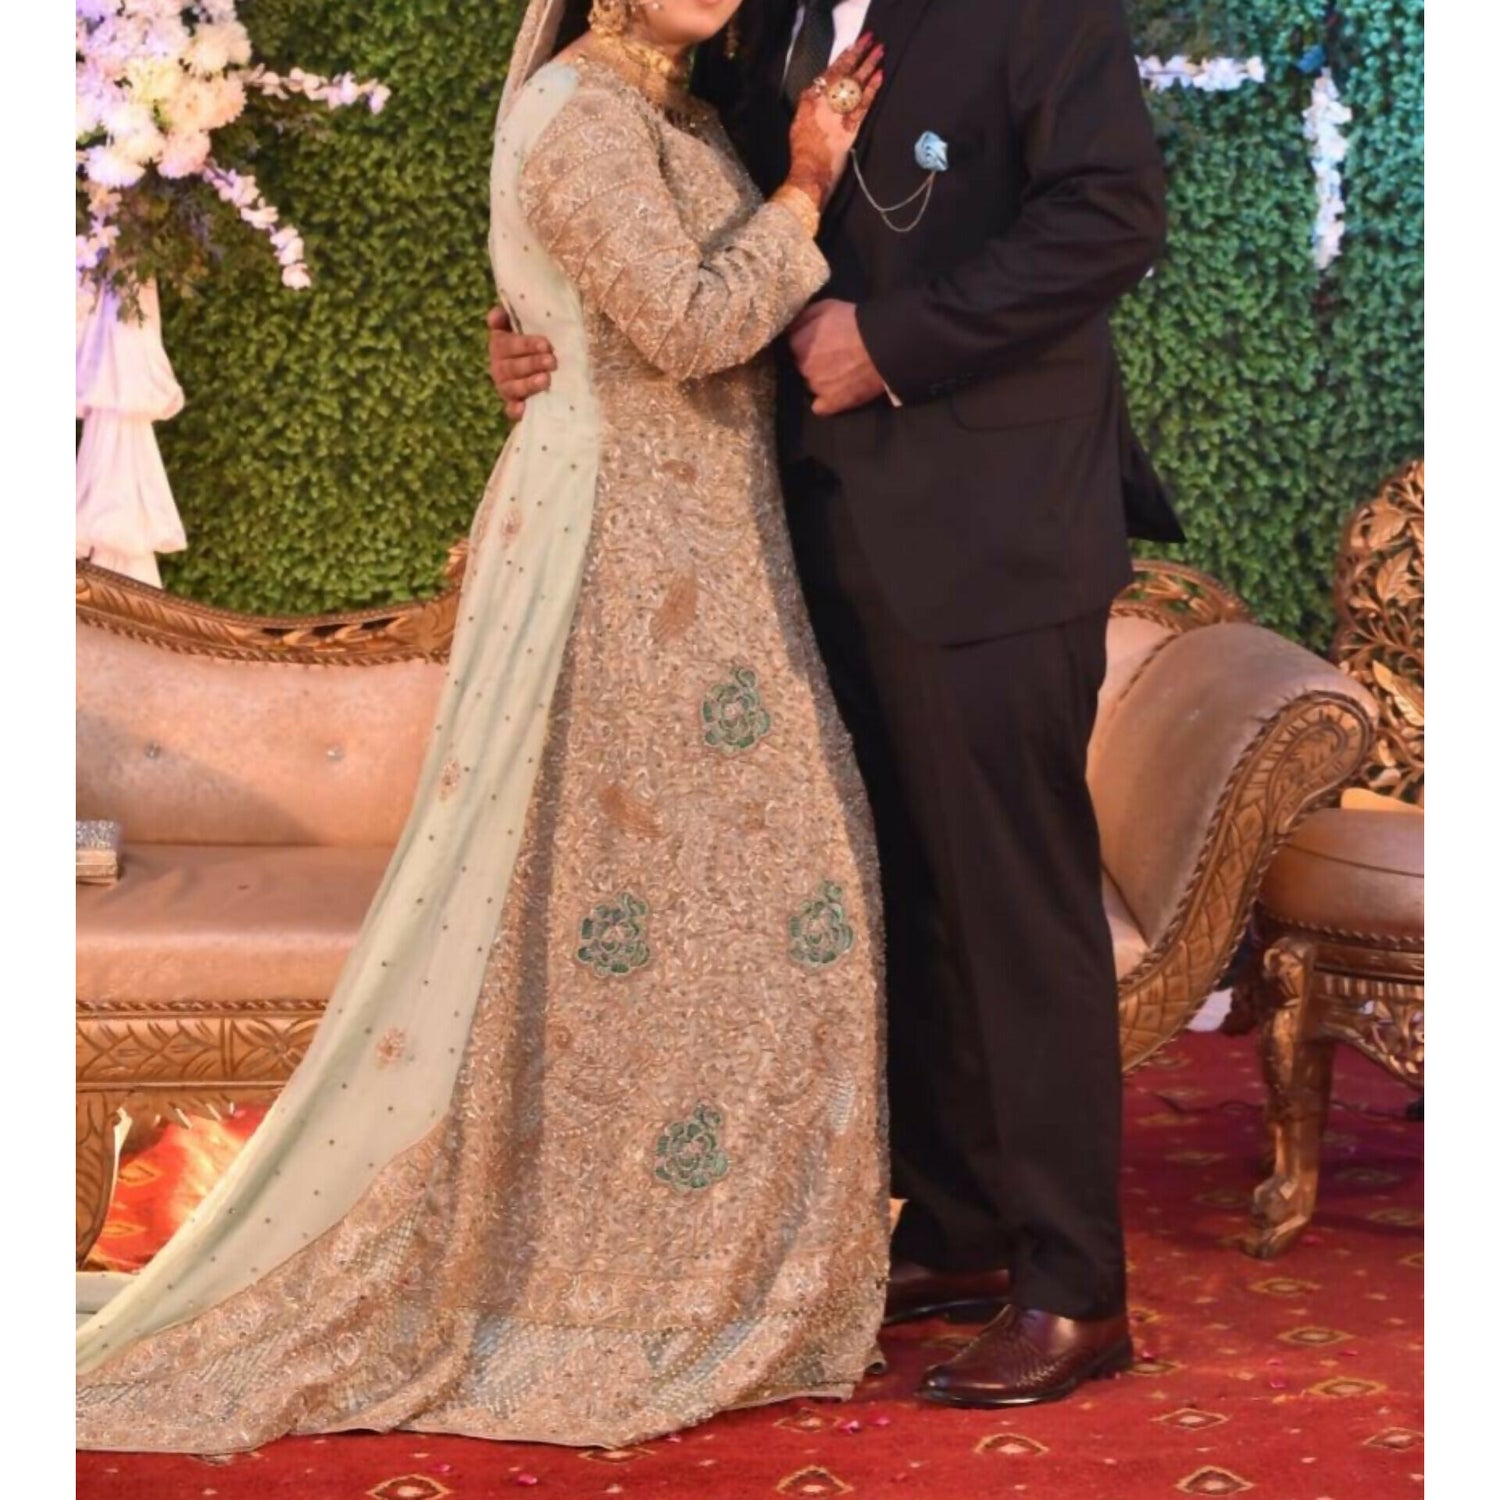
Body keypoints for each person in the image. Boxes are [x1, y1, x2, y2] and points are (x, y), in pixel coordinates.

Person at [76, 0, 891, 1451]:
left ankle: (680, 1271)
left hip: (698, 554)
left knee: (720, 925)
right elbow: (689, 324)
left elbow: (610, 311)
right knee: (633, 926)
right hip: (622, 561)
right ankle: (597, 1293)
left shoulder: (679, 108)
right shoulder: (581, 114)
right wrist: (809, 184)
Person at [490, 0, 1185, 1408]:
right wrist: (549, 331)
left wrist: (899, 342)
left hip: (991, 530)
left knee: (1014, 903)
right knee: (900, 896)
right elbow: (694, 244)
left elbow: (1110, 217)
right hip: (805, 535)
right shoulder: (760, 22)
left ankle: (1073, 1286)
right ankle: (956, 1225)